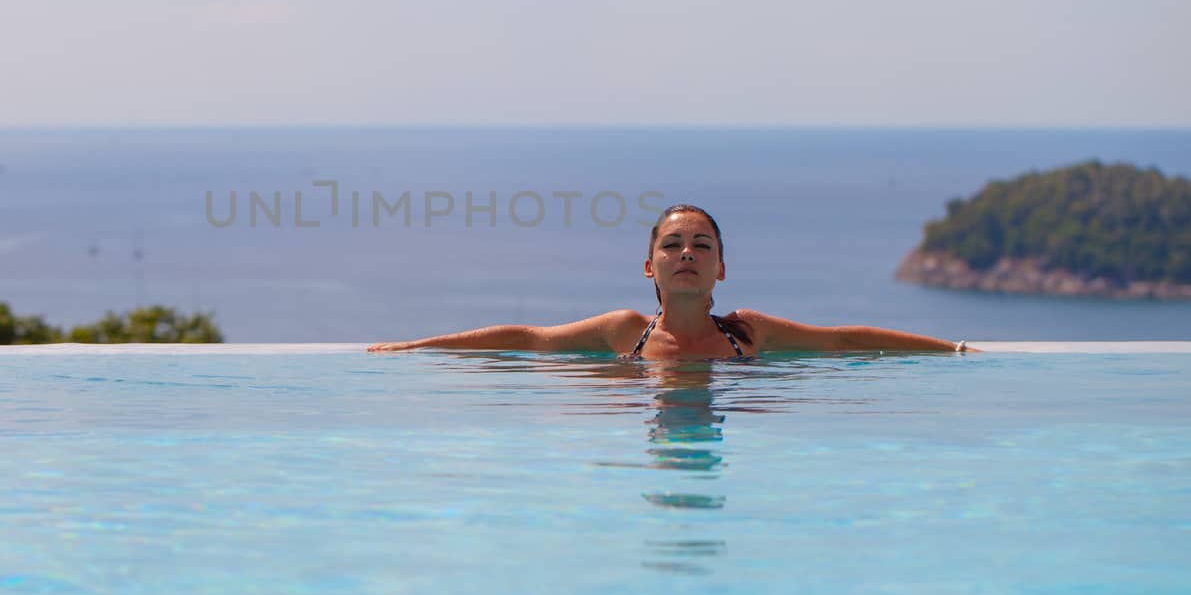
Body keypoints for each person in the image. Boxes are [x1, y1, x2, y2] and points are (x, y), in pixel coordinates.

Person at [367, 203, 970, 359]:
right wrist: (415, 348)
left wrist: (951, 349)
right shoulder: (624, 333)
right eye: (672, 245)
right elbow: (526, 339)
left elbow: (844, 341)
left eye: (702, 246)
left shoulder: (749, 334)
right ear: (650, 266)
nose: (687, 252)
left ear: (721, 270)